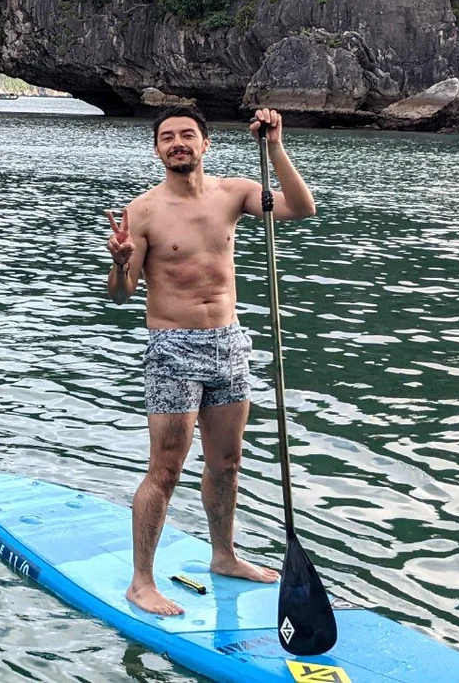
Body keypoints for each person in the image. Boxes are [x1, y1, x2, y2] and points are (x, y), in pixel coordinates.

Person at [105, 105, 316, 616]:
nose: (177, 143)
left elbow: (300, 207)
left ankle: (224, 555)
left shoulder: (236, 194)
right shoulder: (144, 212)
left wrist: (274, 147)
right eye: (167, 137)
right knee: (166, 470)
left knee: (227, 462)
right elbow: (121, 295)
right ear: (157, 149)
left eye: (187, 135)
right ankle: (141, 582)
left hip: (229, 344)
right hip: (173, 349)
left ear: (205, 144)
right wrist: (119, 262)